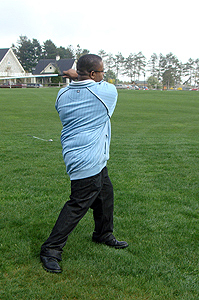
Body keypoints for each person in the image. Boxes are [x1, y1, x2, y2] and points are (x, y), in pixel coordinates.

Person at [40, 54, 128, 273]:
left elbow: (82, 85)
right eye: (100, 72)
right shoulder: (106, 94)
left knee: (105, 193)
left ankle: (103, 233)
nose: (103, 75)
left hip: (87, 155)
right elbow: (103, 86)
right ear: (92, 73)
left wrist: (76, 77)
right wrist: (78, 76)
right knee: (78, 203)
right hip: (86, 159)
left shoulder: (61, 94)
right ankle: (50, 250)